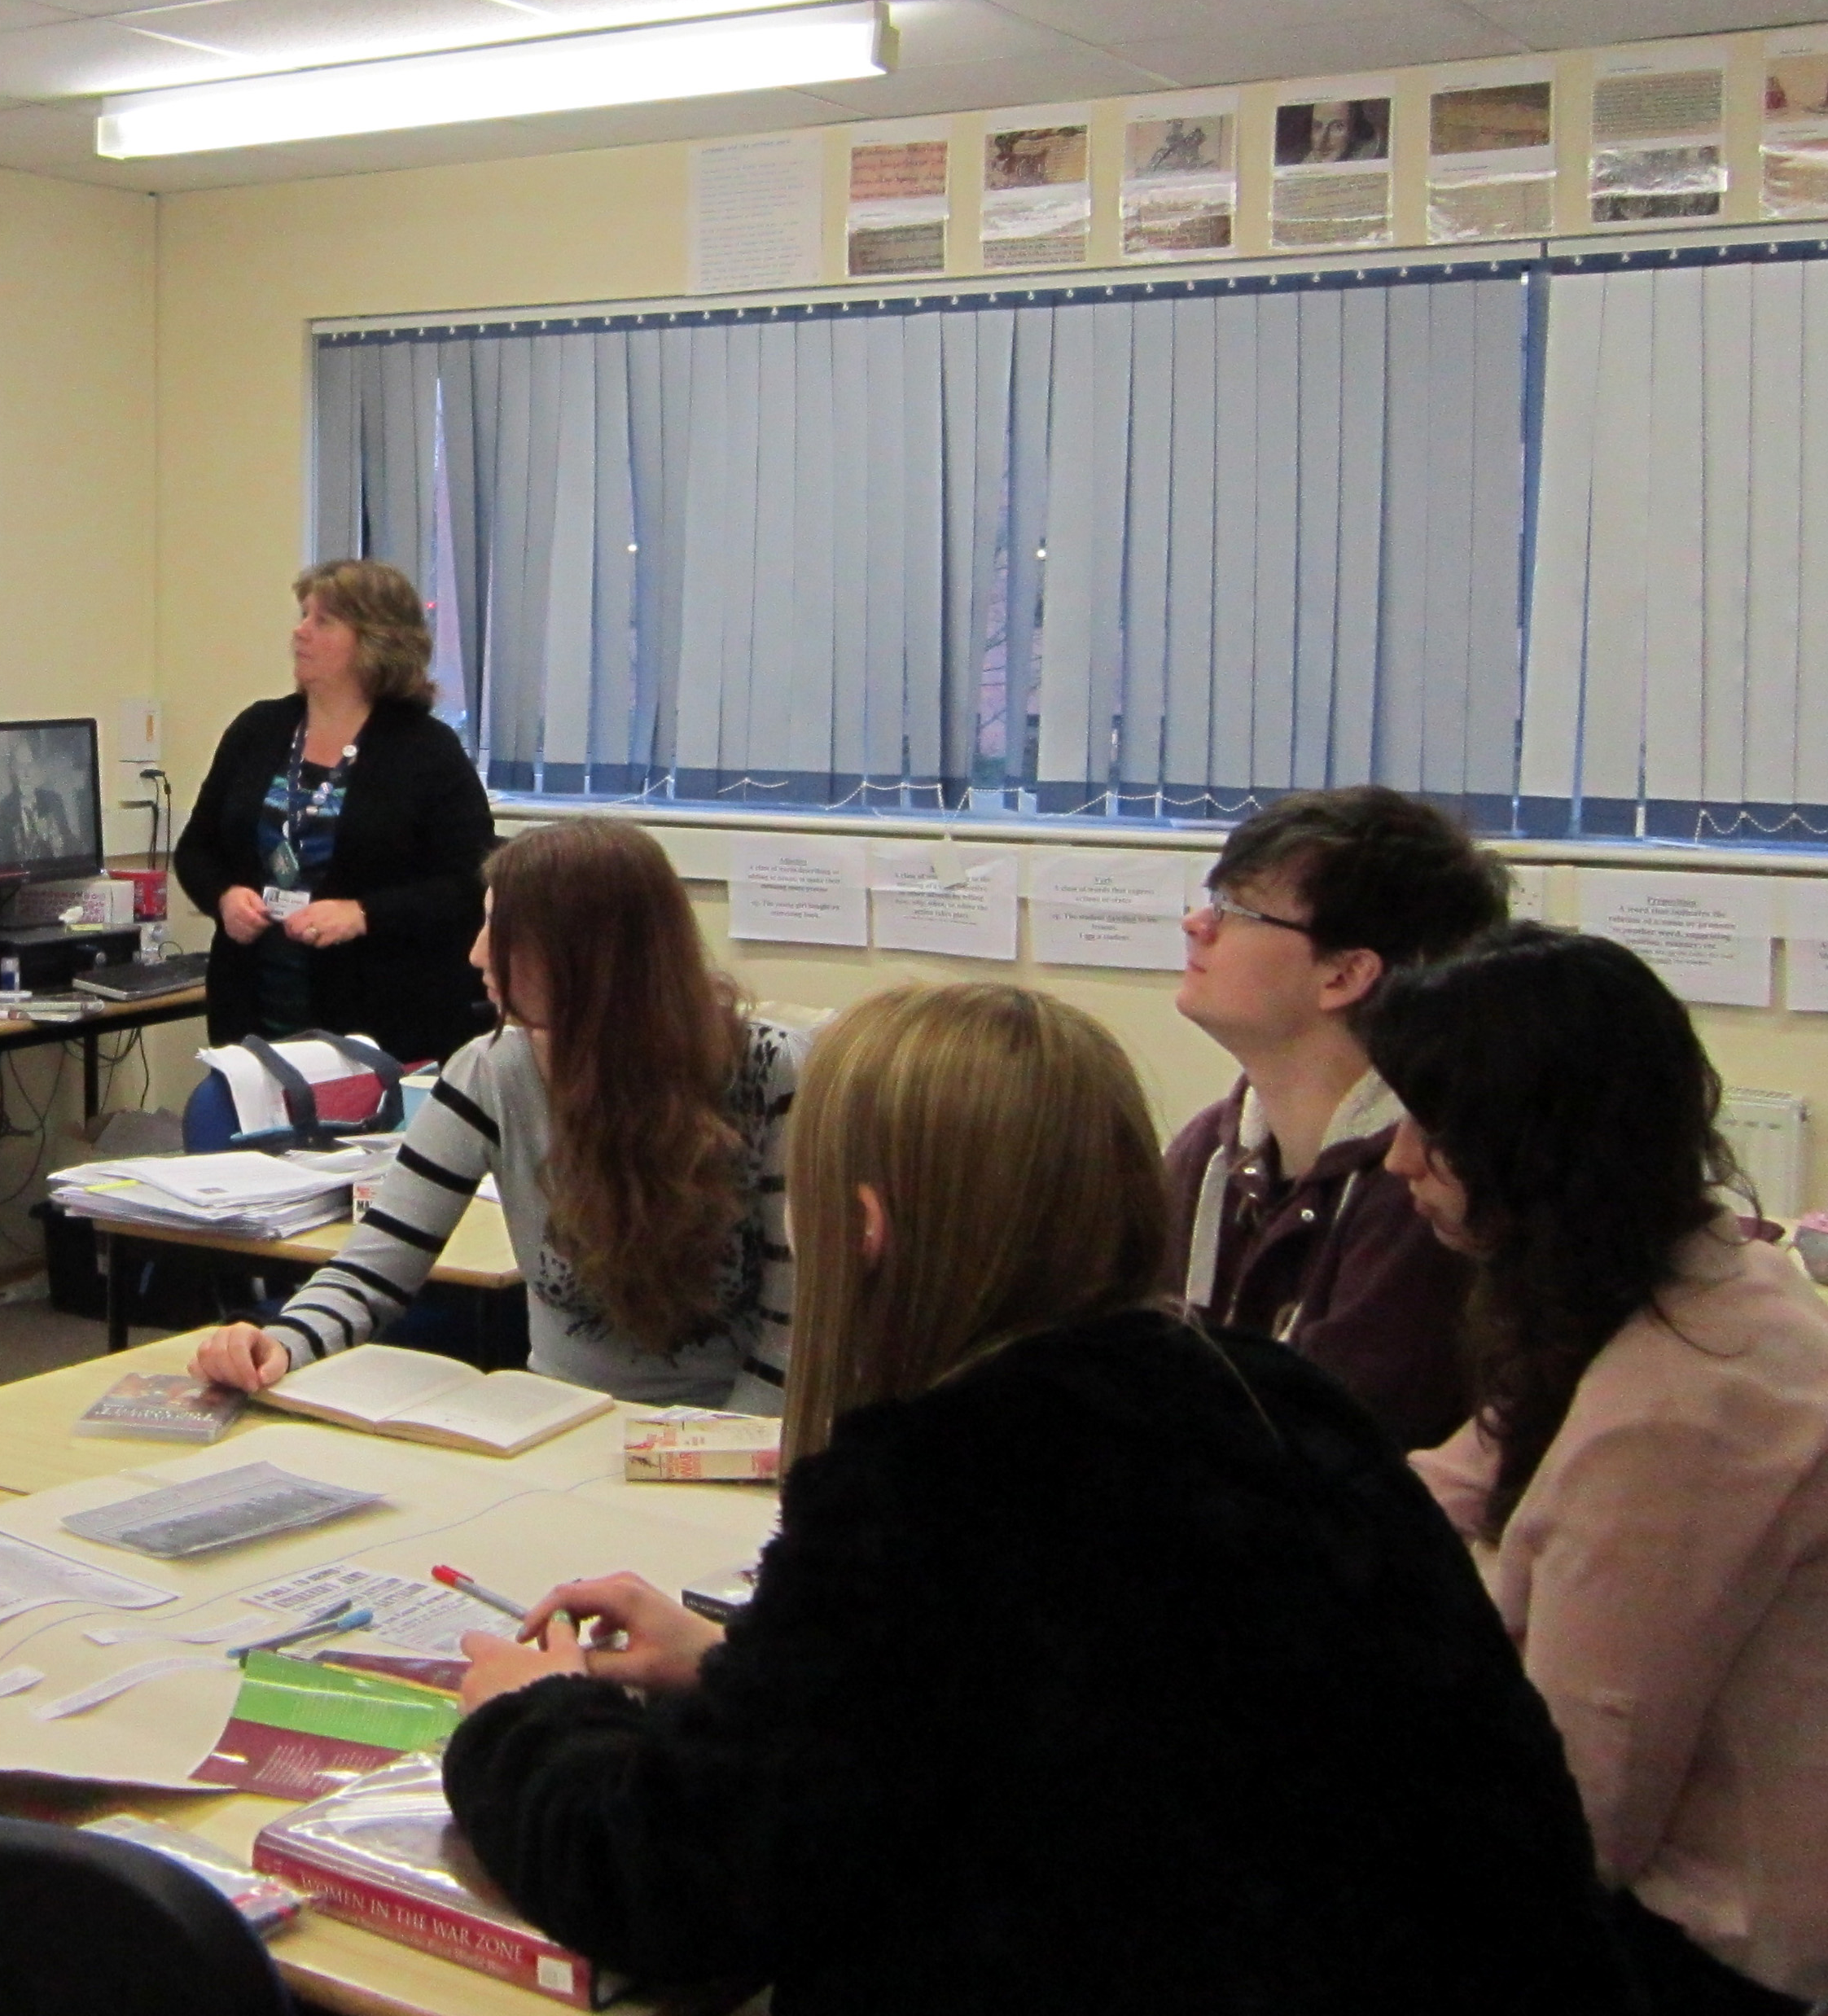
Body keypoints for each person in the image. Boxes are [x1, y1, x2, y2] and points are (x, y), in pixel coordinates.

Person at [440, 984, 1633, 2016]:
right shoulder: (1270, 1401)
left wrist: (526, 1720)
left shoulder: (935, 1486)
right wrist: (734, 1665)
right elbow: (1038, 1718)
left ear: (863, 1231)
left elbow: (684, 1884)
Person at [1369, 925, 1828, 2012]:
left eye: (1432, 1134)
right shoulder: (1656, 1283)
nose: (1395, 1161)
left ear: (1532, 1152)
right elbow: (1435, 1496)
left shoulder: (1689, 1408)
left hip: (1699, 1962)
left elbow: (1579, 1811)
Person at [194, 819, 801, 1409]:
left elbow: (796, 1324)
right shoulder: (491, 1071)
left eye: (502, 932)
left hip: (728, 1432)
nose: (477, 953)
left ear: (586, 954)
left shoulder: (771, 1073)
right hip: (561, 1422)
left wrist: (717, 1448)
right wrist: (280, 1340)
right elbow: (374, 1268)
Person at [1168, 786, 1510, 1447]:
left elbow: (1339, 1444)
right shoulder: (1209, 1148)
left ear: (1345, 975)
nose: (1196, 924)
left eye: (1235, 911)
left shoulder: (1425, 1193)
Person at [173, 559, 493, 1067]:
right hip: (253, 1014)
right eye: (303, 615)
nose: (300, 632)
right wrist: (224, 896)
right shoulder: (259, 730)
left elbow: (468, 884)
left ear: (375, 642)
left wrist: (363, 915)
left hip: (383, 1024)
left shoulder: (426, 751)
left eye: (323, 621)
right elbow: (197, 848)